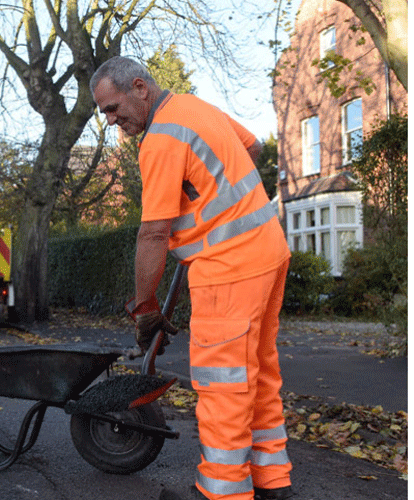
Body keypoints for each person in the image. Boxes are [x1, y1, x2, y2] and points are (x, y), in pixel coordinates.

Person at [90, 56, 294, 500]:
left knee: (224, 384)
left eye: (112, 108)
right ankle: (272, 481)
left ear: (140, 87)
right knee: (258, 374)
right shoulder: (193, 108)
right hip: (268, 251)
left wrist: (145, 308)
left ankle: (221, 493)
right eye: (103, 112)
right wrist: (207, 201)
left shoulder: (161, 139)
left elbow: (154, 232)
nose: (111, 120)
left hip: (230, 270)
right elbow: (253, 146)